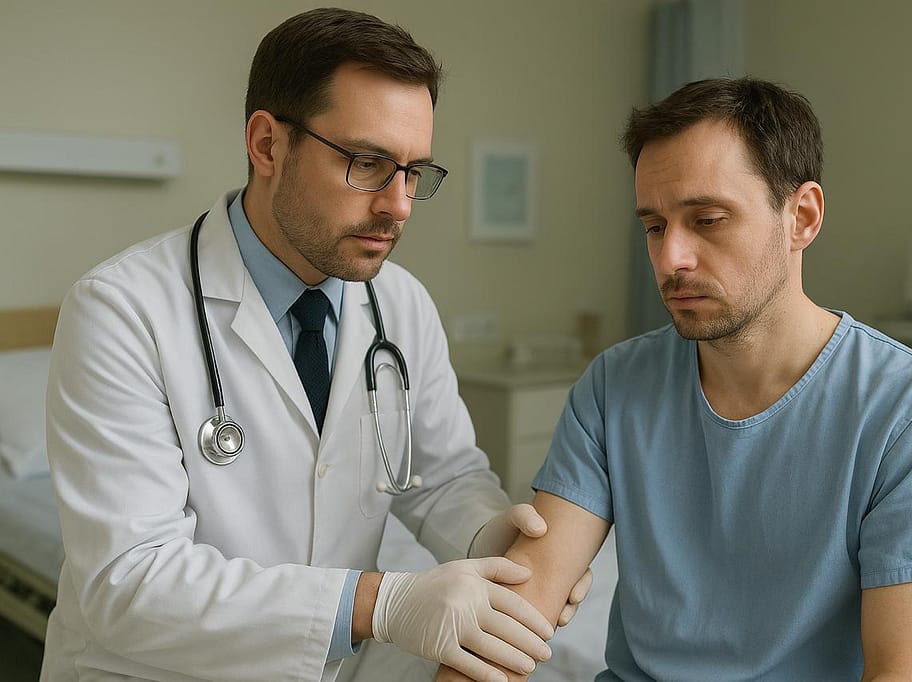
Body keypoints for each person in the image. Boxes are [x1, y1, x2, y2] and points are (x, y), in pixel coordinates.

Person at [41, 8, 591, 682]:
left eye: (414, 171)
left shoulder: (400, 304)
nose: (398, 205)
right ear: (268, 145)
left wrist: (503, 544)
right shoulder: (122, 310)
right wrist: (377, 601)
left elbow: (440, 476)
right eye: (368, 163)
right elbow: (126, 583)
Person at [436, 77, 912, 681]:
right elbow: (518, 613)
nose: (671, 259)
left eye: (707, 220)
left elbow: (905, 673)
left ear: (802, 217)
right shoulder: (616, 385)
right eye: (655, 227)